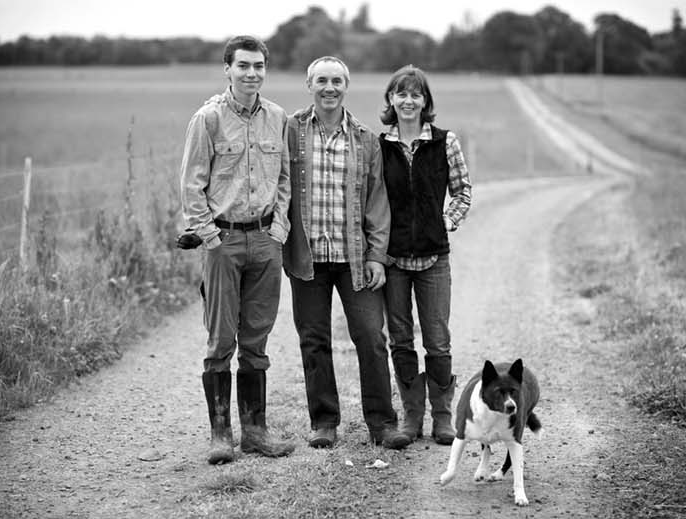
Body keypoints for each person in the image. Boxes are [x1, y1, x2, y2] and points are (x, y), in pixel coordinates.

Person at [177, 35, 295, 464]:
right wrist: (210, 237)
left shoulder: (278, 117)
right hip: (222, 242)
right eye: (243, 65)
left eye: (258, 66)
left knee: (257, 340)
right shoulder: (207, 119)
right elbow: (191, 185)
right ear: (227, 69)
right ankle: (221, 436)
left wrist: (279, 229)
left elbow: (284, 179)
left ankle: (257, 434)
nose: (251, 73)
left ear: (266, 69)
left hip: (265, 242)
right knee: (220, 340)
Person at [282, 56, 410, 450]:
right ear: (309, 85)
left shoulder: (365, 138)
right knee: (314, 339)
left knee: (371, 337)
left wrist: (377, 256)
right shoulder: (290, 131)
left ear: (346, 86)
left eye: (337, 81)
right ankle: (324, 422)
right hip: (308, 258)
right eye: (321, 80)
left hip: (354, 256)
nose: (329, 88)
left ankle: (382, 423)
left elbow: (377, 202)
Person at [378, 65, 474, 446]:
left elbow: (463, 191)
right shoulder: (378, 145)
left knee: (437, 340)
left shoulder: (445, 142)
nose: (408, 100)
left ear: (426, 101)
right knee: (400, 340)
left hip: (435, 258)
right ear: (390, 99)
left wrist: (447, 222)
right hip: (394, 259)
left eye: (416, 94)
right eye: (401, 93)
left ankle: (443, 416)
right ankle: (412, 415)